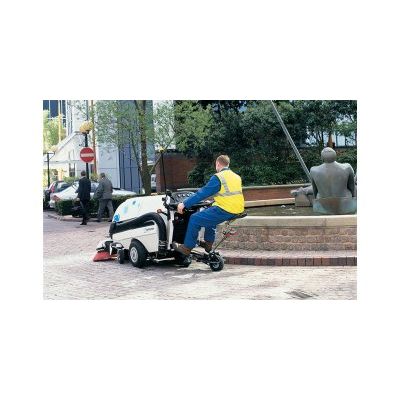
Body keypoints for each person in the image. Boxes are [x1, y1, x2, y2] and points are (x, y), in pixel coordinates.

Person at [172, 155, 245, 256]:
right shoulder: (236, 176)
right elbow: (229, 195)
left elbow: (202, 193)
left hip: (226, 209)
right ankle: (208, 244)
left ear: (217, 164)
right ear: (228, 164)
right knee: (210, 216)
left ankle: (187, 247)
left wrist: (184, 203)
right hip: (238, 209)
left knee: (194, 218)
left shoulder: (219, 177)